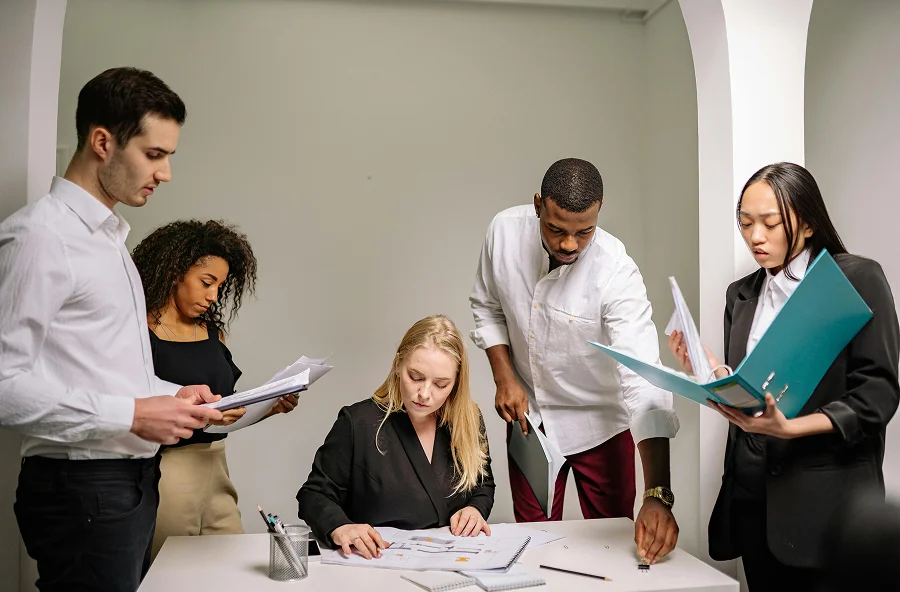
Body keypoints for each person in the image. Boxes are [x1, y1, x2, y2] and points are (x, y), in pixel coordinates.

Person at [0, 67, 224, 592]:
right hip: (83, 488)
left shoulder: (110, 241)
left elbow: (100, 368)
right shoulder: (40, 237)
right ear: (103, 142)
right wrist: (134, 414)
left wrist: (169, 396)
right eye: (154, 154)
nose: (165, 172)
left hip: (127, 483)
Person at [668, 162, 900, 590]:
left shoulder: (856, 279)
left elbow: (878, 396)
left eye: (770, 223)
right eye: (745, 223)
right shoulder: (741, 294)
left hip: (825, 512)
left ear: (808, 223)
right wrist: (711, 371)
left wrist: (790, 428)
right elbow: (759, 389)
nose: (755, 236)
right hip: (753, 503)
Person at [469, 158, 680, 563]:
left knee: (614, 546)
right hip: (530, 420)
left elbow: (644, 379)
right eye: (556, 229)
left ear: (599, 211)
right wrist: (504, 378)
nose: (569, 244)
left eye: (584, 232)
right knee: (533, 546)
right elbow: (487, 306)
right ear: (538, 205)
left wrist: (658, 493)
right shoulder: (503, 232)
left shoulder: (616, 272)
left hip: (601, 425)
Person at [131, 219, 300, 560]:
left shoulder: (212, 334)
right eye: (206, 282)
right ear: (175, 272)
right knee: (170, 573)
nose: (213, 296)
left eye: (220, 286)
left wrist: (269, 407)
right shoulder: (138, 332)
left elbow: (223, 411)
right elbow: (134, 404)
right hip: (168, 470)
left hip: (218, 467)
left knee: (229, 568)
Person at [297, 315, 495, 559]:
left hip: (453, 560)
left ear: (456, 382)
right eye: (415, 377)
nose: (424, 394)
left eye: (441, 384)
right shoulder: (357, 422)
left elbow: (483, 485)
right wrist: (340, 527)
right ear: (398, 365)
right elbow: (314, 494)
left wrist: (475, 509)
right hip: (375, 562)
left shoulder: (469, 420)